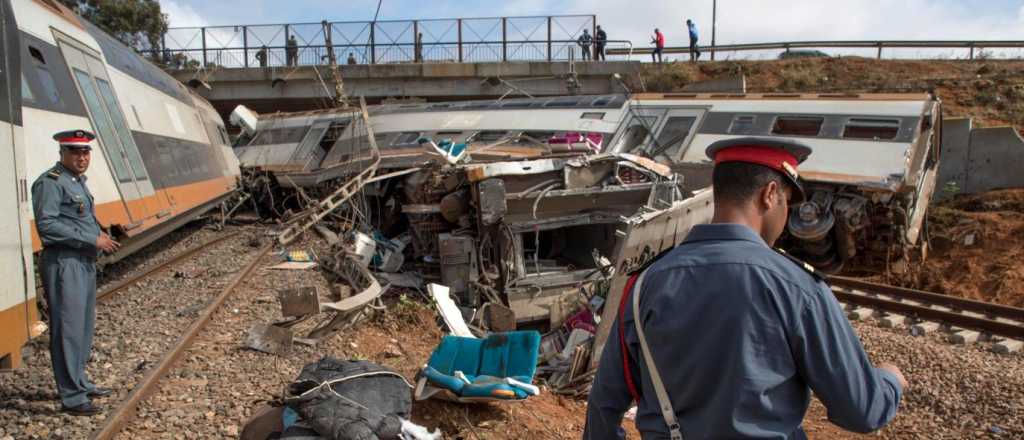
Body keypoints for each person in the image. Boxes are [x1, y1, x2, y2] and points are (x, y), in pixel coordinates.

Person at [584, 137, 907, 439]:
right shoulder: (797, 287)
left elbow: (606, 401)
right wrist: (890, 380)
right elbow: (862, 411)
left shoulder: (647, 282)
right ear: (769, 194)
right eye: (787, 203)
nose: (784, 218)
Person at [33, 130, 121, 416]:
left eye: (85, 152)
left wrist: (101, 232)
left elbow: (78, 218)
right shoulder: (51, 183)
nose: (82, 157)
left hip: (82, 262)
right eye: (75, 152)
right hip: (64, 262)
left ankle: (80, 382)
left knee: (82, 328)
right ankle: (72, 397)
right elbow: (47, 225)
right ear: (62, 153)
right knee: (68, 329)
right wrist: (92, 239)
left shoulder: (77, 182)